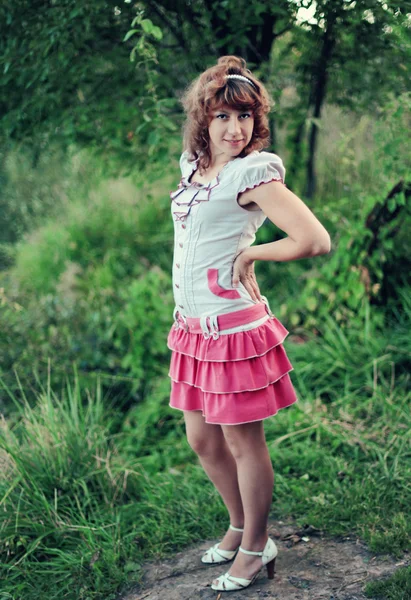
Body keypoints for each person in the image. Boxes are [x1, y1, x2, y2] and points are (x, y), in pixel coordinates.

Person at [166, 55, 331, 592]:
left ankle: (258, 546)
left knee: (241, 442)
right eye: (222, 117)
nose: (235, 129)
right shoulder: (196, 169)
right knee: (202, 440)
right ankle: (239, 526)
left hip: (232, 329)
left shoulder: (253, 173)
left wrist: (255, 254)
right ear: (203, 121)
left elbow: (313, 239)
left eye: (244, 117)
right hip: (193, 328)